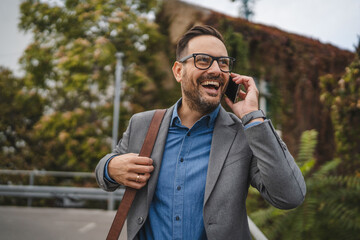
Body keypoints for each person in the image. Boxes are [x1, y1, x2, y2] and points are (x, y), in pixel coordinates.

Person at [96, 25, 306, 240]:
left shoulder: (245, 134)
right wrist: (110, 168)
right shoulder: (142, 124)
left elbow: (290, 196)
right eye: (203, 60)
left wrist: (253, 116)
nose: (216, 70)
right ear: (179, 71)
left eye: (223, 63)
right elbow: (105, 171)